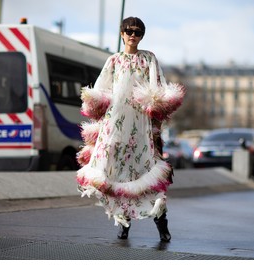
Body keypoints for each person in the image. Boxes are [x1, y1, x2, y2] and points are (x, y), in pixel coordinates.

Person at [76, 16, 185, 242]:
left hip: (141, 127)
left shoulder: (149, 59)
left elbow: (159, 87)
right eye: (128, 31)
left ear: (142, 35)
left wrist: (157, 105)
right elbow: (100, 89)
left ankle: (161, 223)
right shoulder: (113, 61)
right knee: (117, 172)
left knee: (147, 171)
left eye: (137, 32)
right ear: (122, 34)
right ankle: (123, 224)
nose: (132, 35)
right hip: (115, 125)